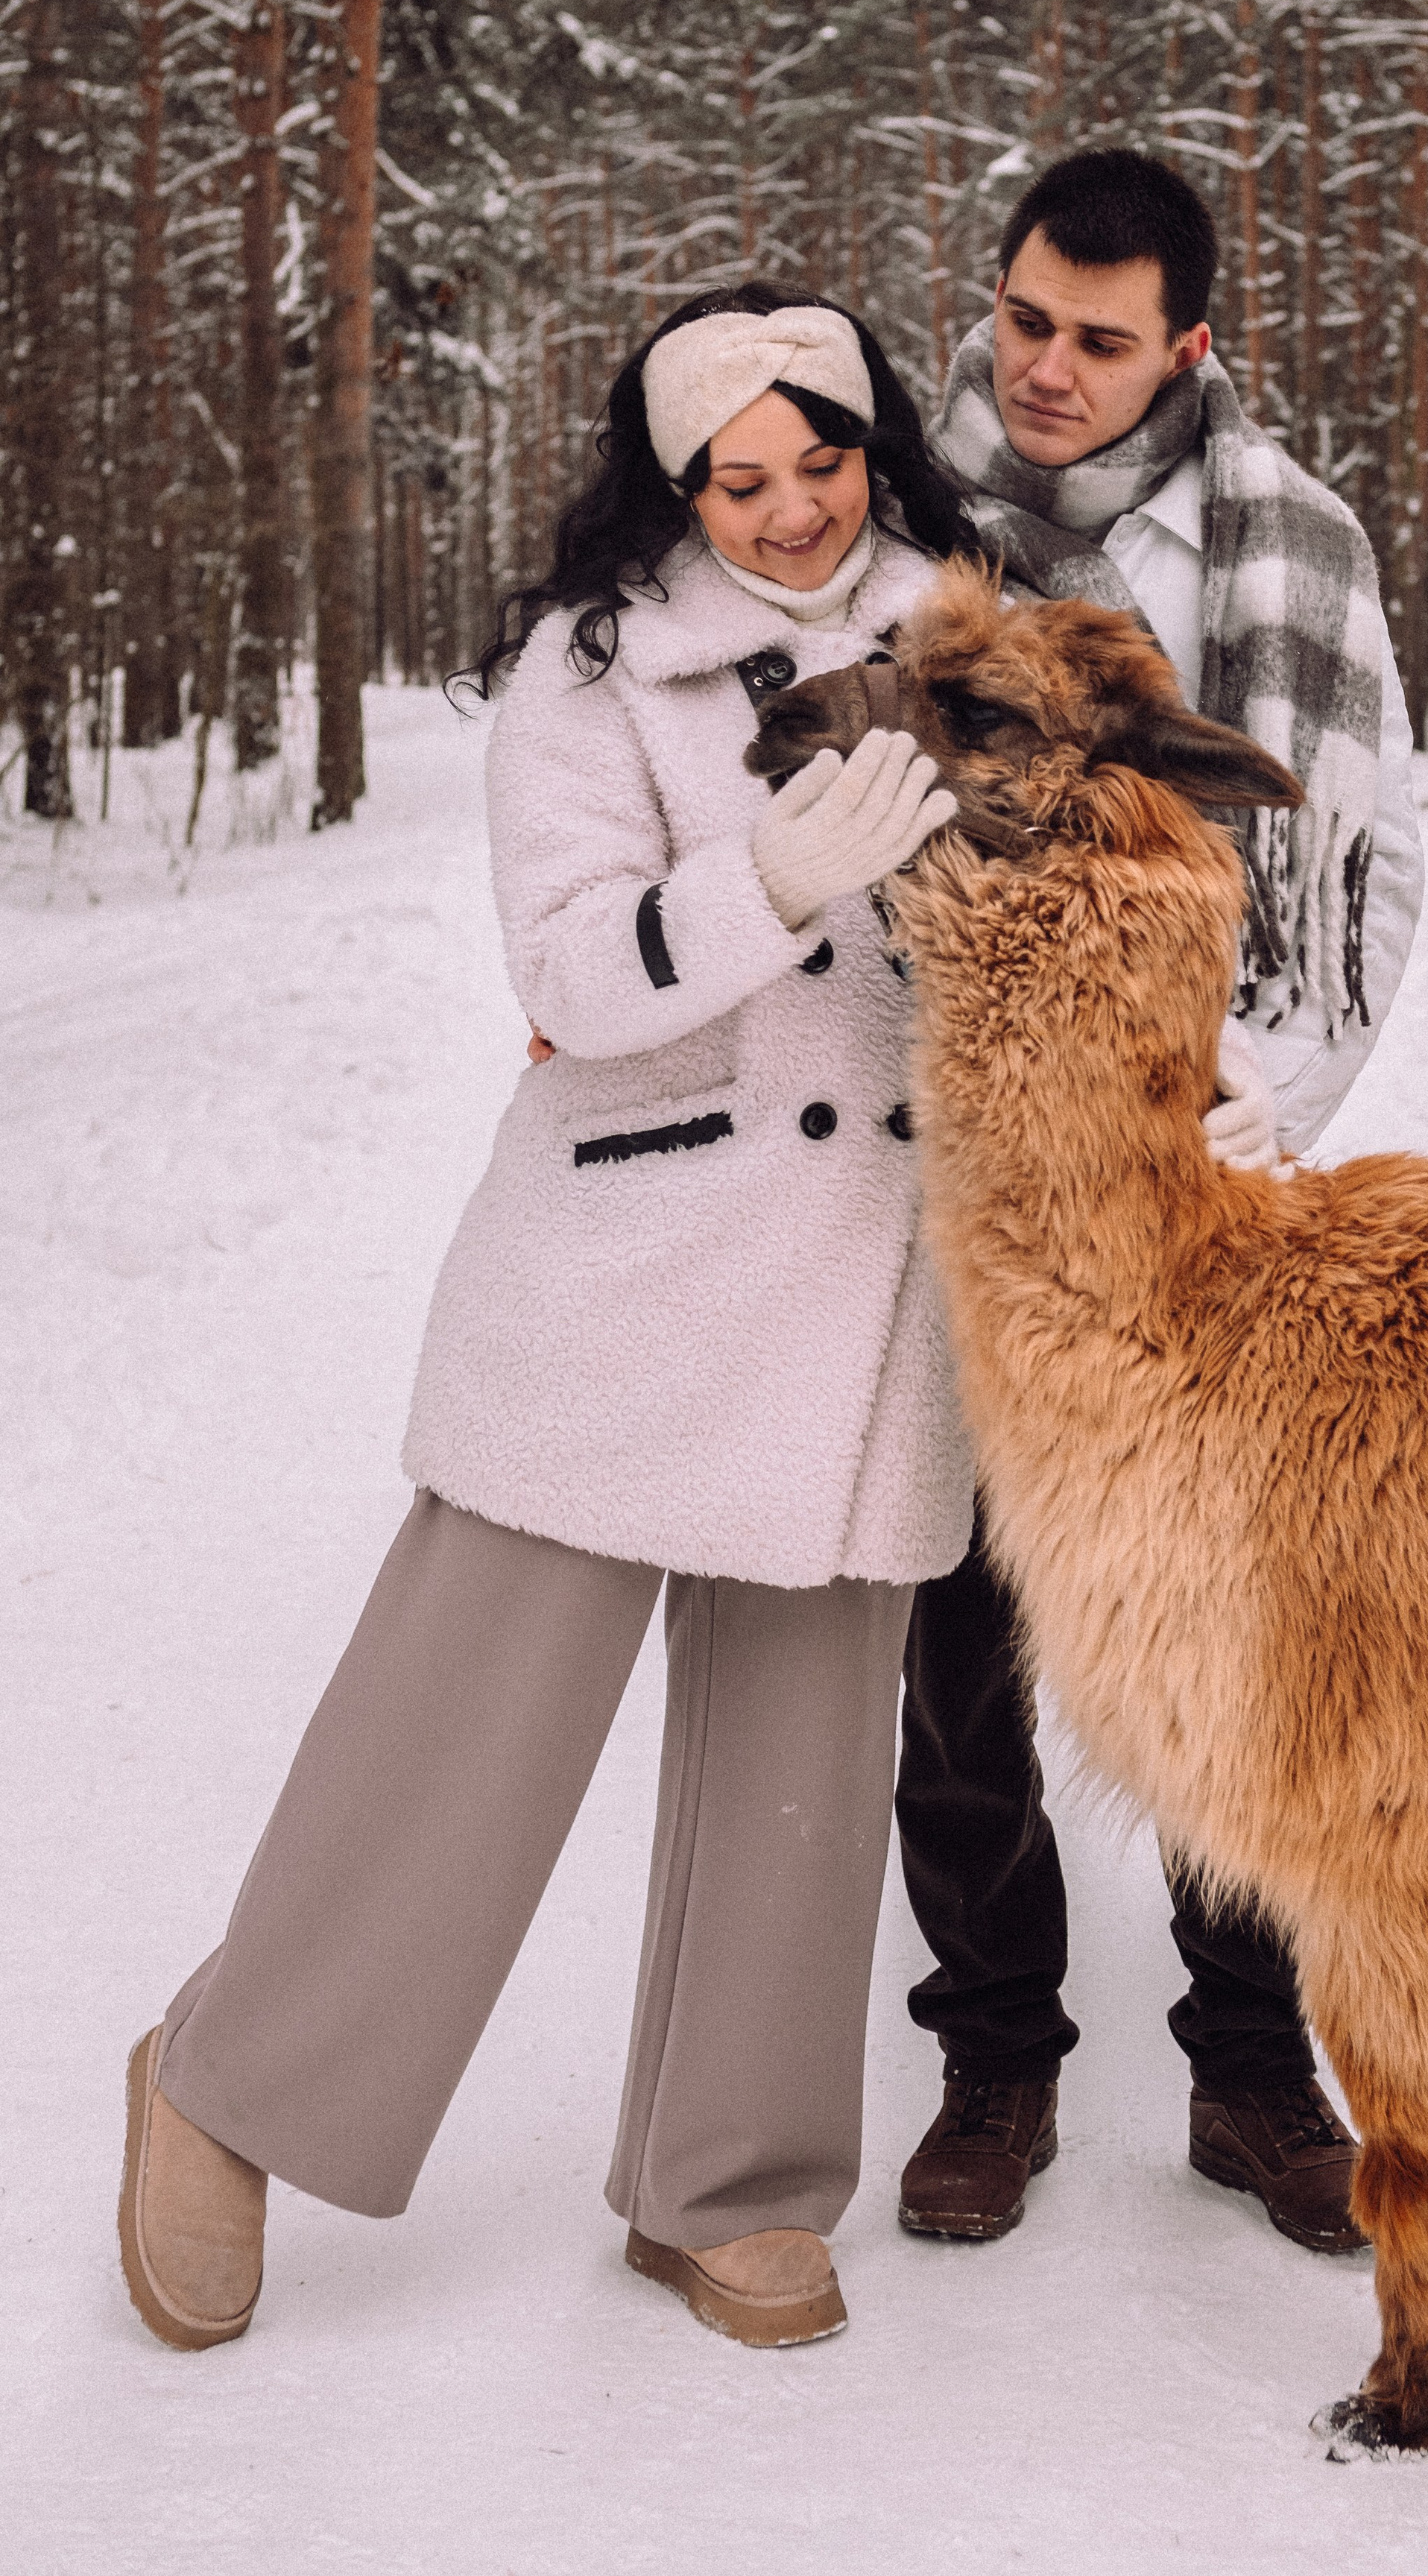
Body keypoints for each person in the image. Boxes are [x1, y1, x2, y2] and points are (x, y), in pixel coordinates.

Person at [118, 287, 979, 2358]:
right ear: (673, 485)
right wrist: (762, 875)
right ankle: (227, 2084)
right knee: (464, 1728)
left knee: (805, 1737)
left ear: (879, 447)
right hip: (633, 1250)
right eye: (736, 481)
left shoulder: (978, 628)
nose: (785, 512)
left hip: (879, 1263)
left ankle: (733, 2182)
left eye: (821, 465)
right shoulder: (596, 672)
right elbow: (573, 976)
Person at [892, 151, 1425, 2255]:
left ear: (1187, 345)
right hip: (957, 1170)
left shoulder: (1293, 548)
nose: (1044, 368)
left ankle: (1250, 2059)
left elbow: (1367, 860)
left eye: (1100, 340)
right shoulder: (903, 519)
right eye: (1026, 318)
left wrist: (1253, 1115)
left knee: (1229, 1615)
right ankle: (996, 2049)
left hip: (1204, 1186)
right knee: (959, 1615)